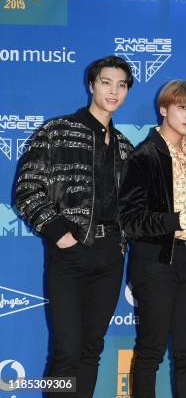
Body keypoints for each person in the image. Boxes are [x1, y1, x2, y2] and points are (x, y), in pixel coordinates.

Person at [15, 55, 134, 397]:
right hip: (70, 255)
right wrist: (57, 232)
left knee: (91, 349)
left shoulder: (125, 147)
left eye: (121, 85)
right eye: (107, 82)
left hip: (110, 256)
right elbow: (27, 188)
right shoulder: (57, 130)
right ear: (91, 85)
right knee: (66, 349)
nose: (113, 91)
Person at [118, 80, 186, 397]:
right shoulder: (144, 156)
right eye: (181, 107)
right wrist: (179, 219)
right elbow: (130, 221)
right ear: (163, 108)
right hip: (157, 263)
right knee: (151, 352)